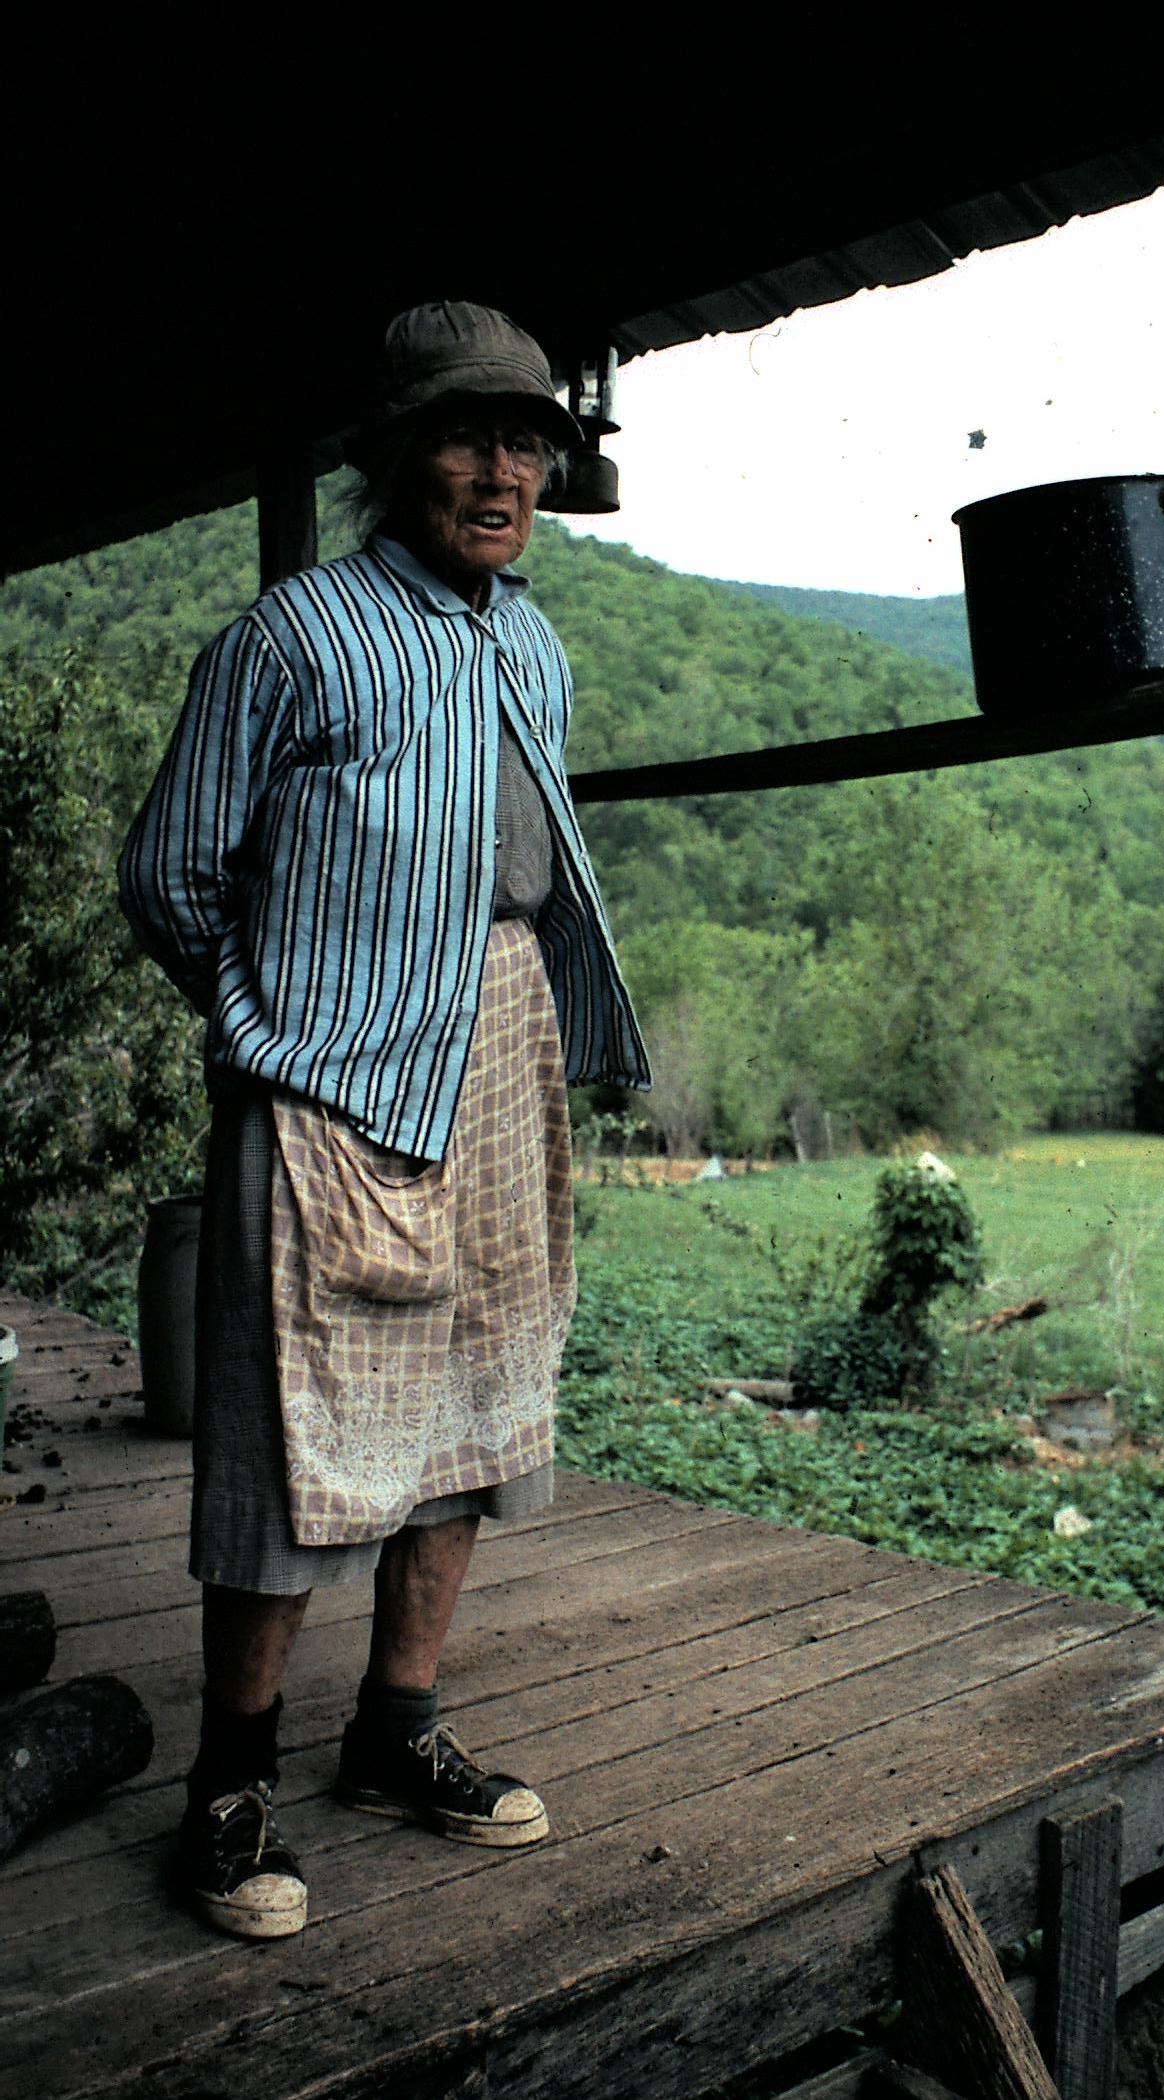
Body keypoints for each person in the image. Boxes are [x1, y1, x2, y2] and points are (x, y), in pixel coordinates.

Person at [119, 300, 647, 1941]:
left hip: (503, 1044)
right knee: (296, 1424)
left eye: (528, 445)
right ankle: (229, 1780)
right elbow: (171, 874)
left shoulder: (532, 642)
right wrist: (275, 1018)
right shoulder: (293, 636)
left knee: (484, 1393)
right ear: (396, 456)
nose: (503, 473)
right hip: (329, 1071)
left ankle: (393, 1734)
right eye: (469, 437)